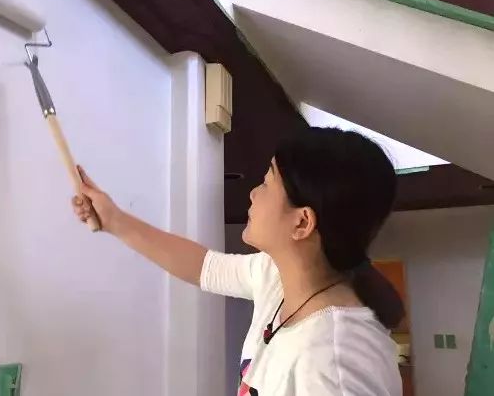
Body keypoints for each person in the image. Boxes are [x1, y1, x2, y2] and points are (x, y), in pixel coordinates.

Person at [72, 127, 404, 395]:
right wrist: (114, 220)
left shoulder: (333, 366)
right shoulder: (277, 276)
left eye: (267, 183)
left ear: (302, 222)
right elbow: (205, 267)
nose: (253, 193)